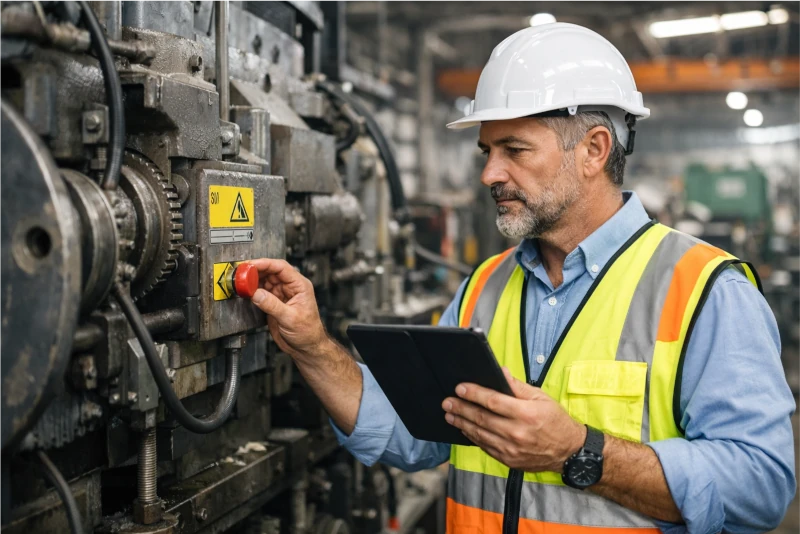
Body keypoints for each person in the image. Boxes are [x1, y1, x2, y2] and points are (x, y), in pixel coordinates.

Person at [247, 23, 796, 534]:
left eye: (515, 150)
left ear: (594, 150)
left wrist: (578, 452)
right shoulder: (485, 285)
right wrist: (313, 345)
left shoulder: (705, 288)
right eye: (488, 150)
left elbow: (760, 486)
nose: (489, 173)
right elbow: (412, 434)